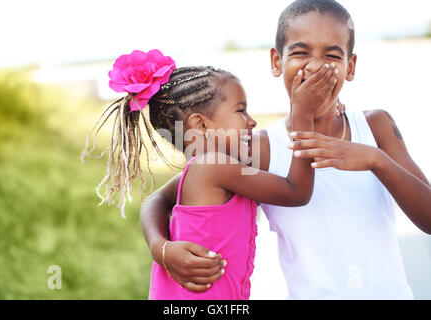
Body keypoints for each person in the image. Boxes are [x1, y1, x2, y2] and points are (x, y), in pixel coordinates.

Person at [140, 0, 431, 299]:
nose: (316, 65)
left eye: (332, 55)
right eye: (301, 53)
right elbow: (159, 198)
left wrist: (375, 159)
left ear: (350, 66)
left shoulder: (376, 127)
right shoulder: (258, 148)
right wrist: (160, 248)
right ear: (277, 62)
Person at [82, 48, 340, 299]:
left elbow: (154, 200)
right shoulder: (214, 166)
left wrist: (160, 248)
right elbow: (296, 192)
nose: (251, 121)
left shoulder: (203, 169)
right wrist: (303, 115)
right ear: (201, 125)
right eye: (240, 110)